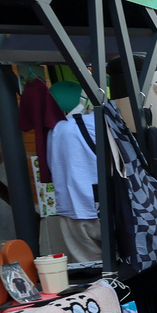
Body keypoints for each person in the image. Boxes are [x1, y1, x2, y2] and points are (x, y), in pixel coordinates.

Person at [45, 105, 101, 263]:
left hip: (71, 208)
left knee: (89, 268)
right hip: (107, 206)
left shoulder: (56, 129)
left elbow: (51, 165)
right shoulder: (105, 123)